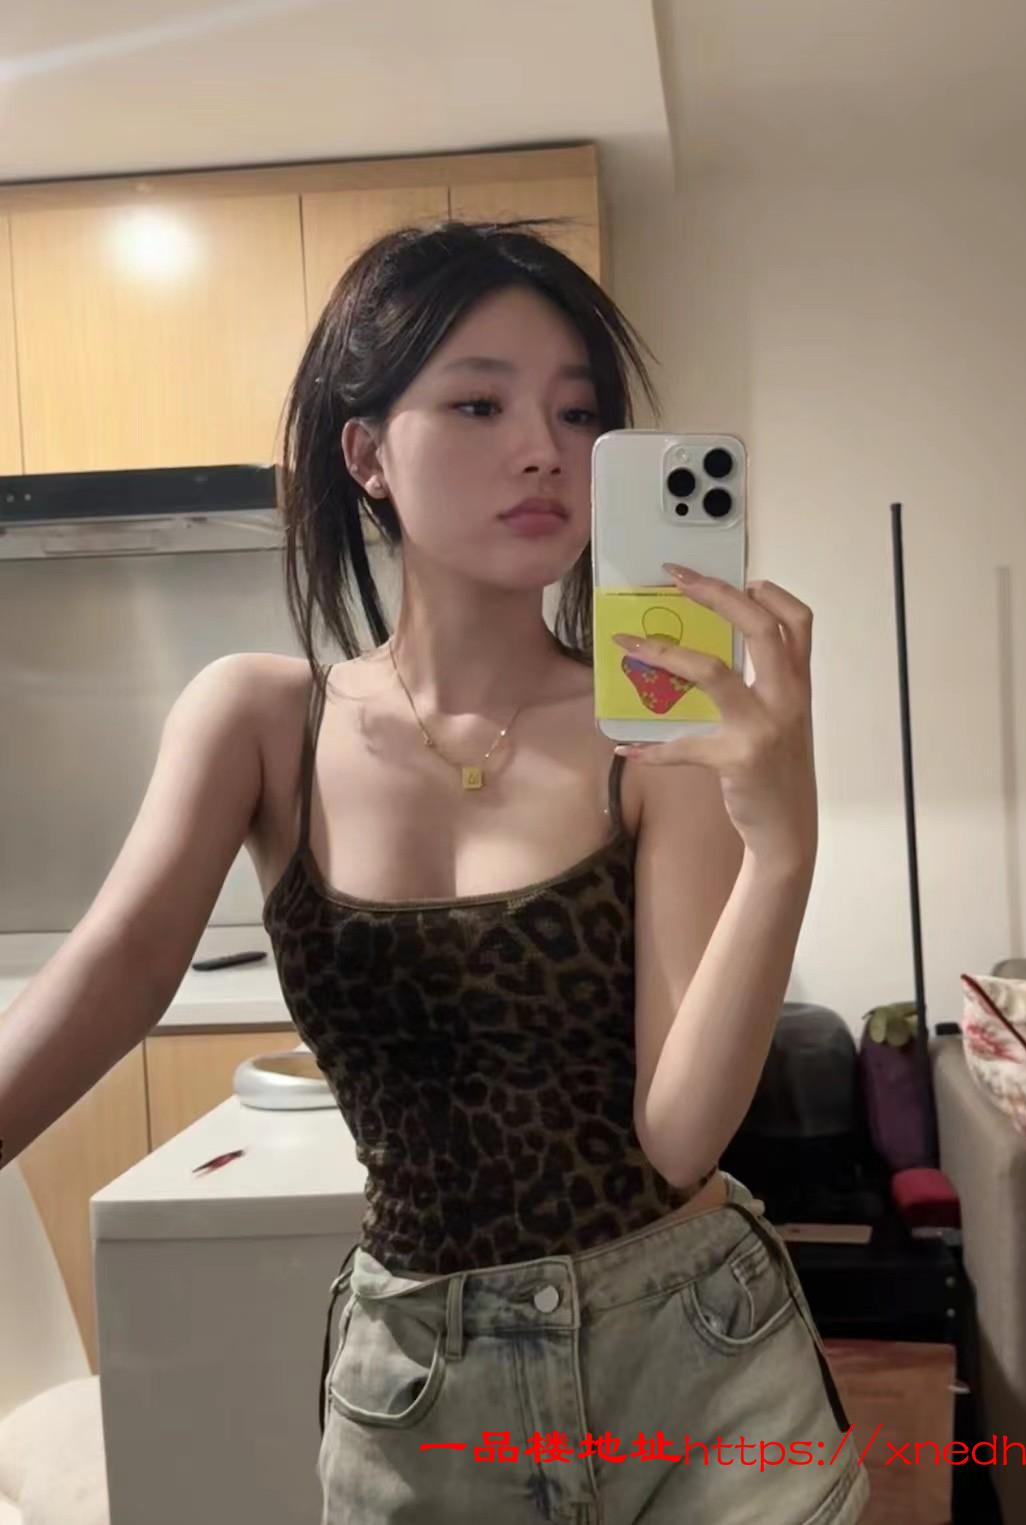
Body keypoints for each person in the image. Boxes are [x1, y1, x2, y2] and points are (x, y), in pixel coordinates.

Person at [0, 217, 868, 1525]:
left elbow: (680, 1134)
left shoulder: (654, 738)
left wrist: (784, 848)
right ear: (365, 454)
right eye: (478, 403)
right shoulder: (259, 720)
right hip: (422, 1396)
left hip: (701, 1364)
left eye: (578, 413)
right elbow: (118, 967)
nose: (544, 448)